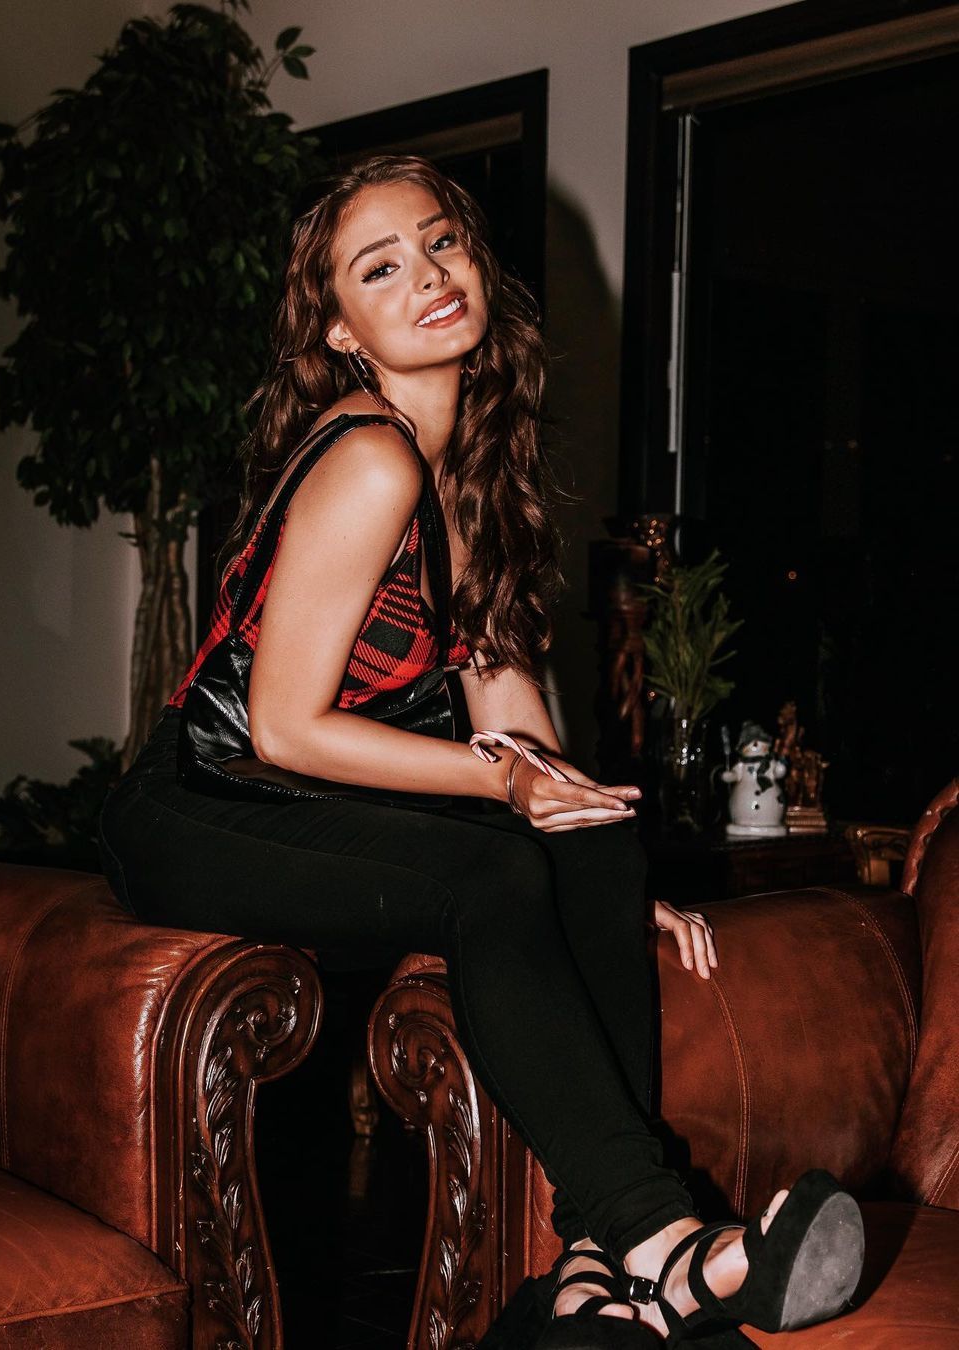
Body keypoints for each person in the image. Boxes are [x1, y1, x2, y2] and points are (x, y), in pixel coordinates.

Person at [98, 154, 864, 1348]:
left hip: (299, 795)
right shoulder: (371, 458)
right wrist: (505, 785)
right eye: (379, 268)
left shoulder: (469, 465)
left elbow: (504, 691)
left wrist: (583, 833)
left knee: (593, 841)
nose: (428, 275)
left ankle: (593, 1278)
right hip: (200, 803)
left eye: (442, 241)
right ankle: (659, 1241)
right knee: (491, 869)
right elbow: (282, 729)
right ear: (340, 331)